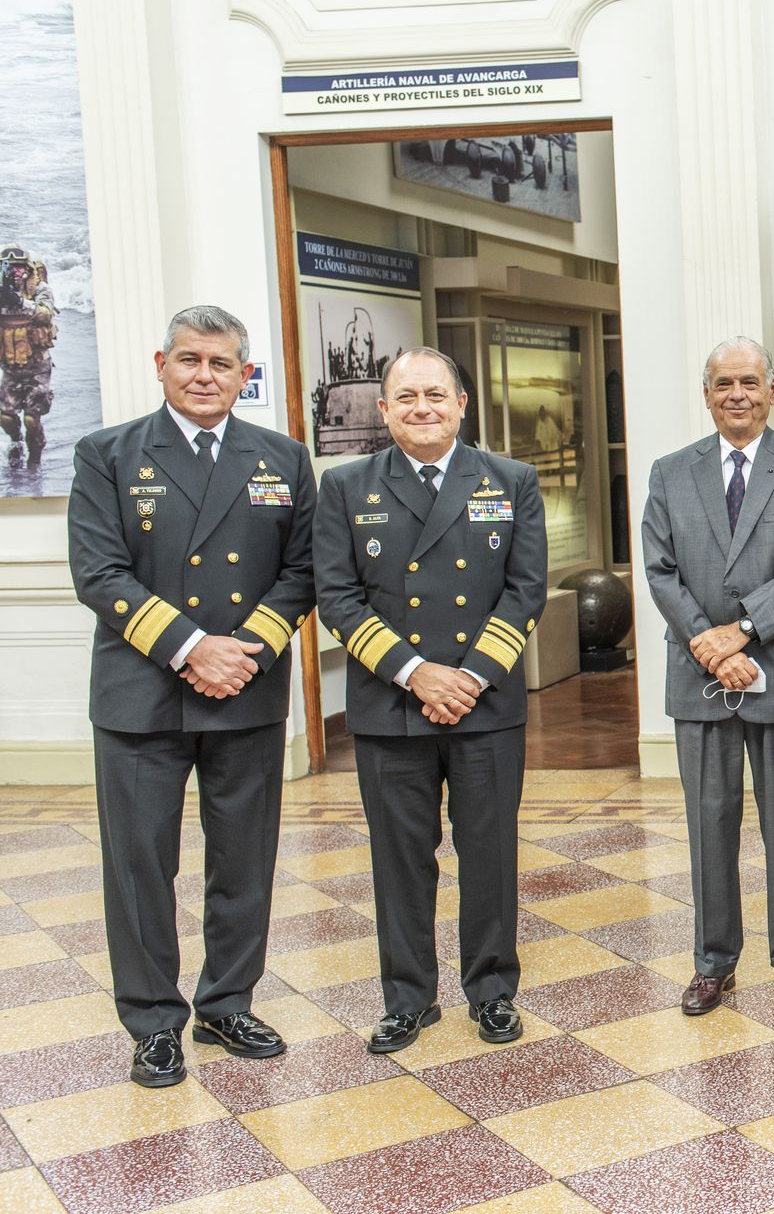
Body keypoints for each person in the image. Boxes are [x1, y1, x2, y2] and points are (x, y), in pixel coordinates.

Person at [67, 305, 315, 1087]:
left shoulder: (283, 458)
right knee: (140, 864)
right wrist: (191, 648)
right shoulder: (107, 454)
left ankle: (227, 1002)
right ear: (161, 365)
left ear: (246, 374)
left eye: (220, 363)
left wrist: (243, 652)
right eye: (189, 360)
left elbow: (303, 571)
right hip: (142, 694)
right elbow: (98, 572)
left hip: (245, 687)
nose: (204, 375)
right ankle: (152, 1023)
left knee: (244, 859)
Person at [314, 347, 546, 1054]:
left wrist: (469, 677)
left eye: (437, 395)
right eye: (408, 397)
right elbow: (338, 597)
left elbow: (525, 589)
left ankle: (492, 991)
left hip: (485, 703)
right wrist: (416, 673)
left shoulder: (511, 480)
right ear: (384, 410)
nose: (423, 408)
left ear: (461, 404)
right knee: (399, 860)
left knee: (489, 854)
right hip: (392, 706)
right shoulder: (346, 486)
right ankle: (407, 998)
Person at [641, 337, 774, 1016]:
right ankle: (712, 962)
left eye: (750, 382)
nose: (737, 394)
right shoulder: (670, 473)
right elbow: (660, 570)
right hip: (700, 674)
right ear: (706, 394)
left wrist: (745, 629)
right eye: (724, 383)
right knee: (709, 823)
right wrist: (712, 645)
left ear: (772, 390)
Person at [0, 245, 58, 459]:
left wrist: (19, 302)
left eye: (18, 266)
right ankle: (16, 441)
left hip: (37, 367)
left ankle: (35, 456)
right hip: (10, 367)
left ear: (27, 267)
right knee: (5, 417)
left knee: (32, 419)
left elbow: (45, 315)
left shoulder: (40, 289)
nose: (14, 272)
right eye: (9, 267)